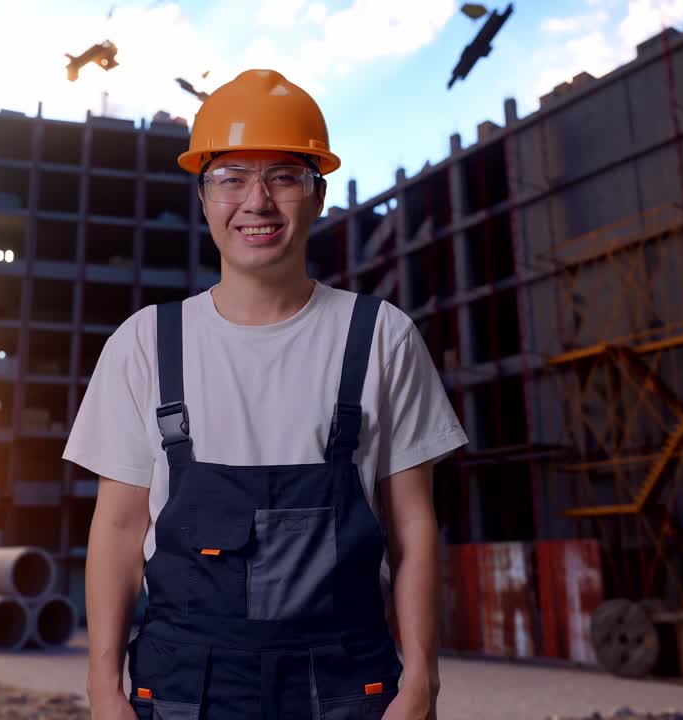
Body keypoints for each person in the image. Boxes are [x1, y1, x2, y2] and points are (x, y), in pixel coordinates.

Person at [64, 68, 467, 720]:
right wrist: (103, 688)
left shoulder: (381, 337)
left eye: (283, 176)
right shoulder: (146, 345)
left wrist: (421, 682)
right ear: (202, 196)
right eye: (231, 178)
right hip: (183, 686)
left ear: (318, 194)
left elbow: (413, 526)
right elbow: (116, 528)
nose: (257, 201)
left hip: (346, 682)